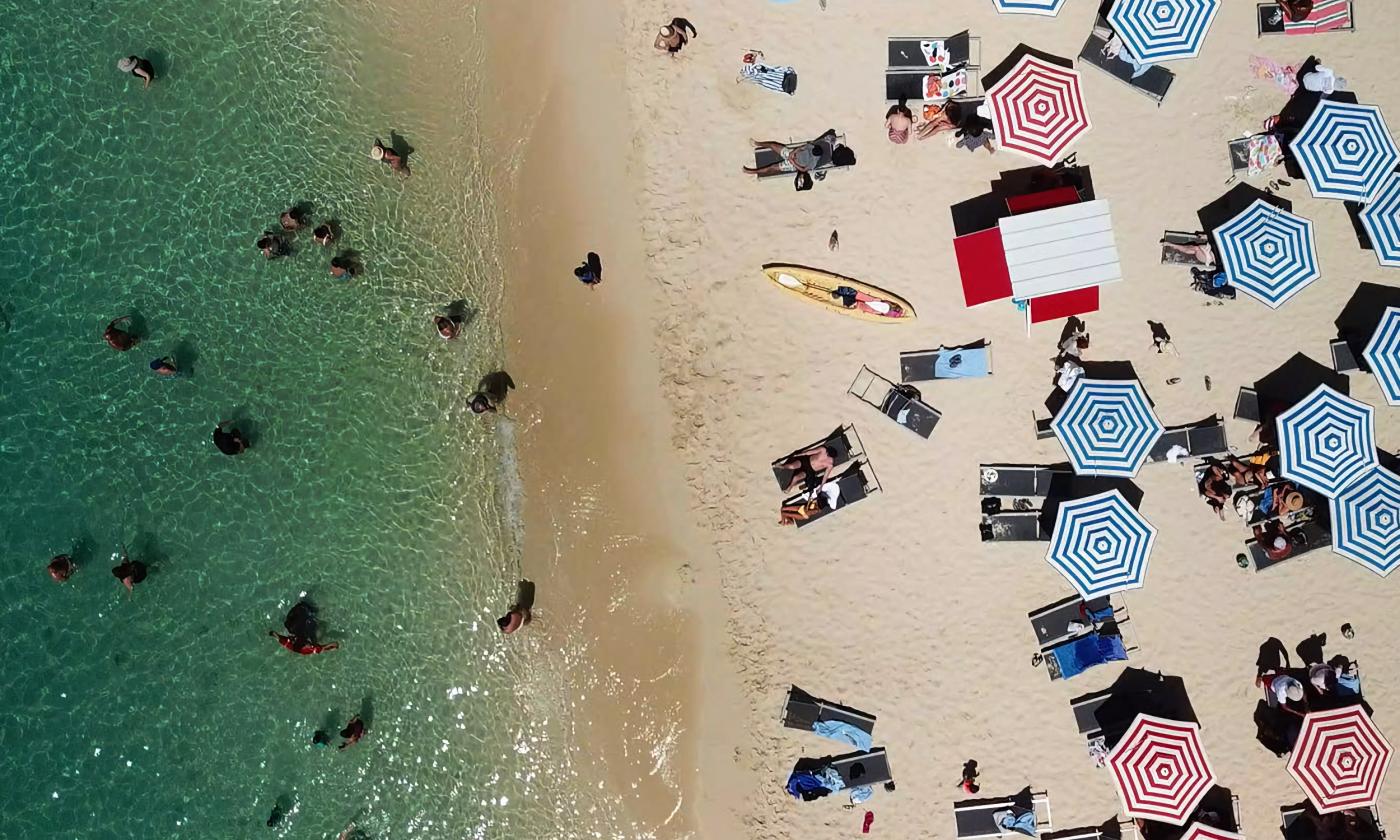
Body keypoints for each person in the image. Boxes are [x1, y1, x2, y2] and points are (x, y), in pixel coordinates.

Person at [744, 129, 837, 177]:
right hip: (791, 154)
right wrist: (792, 153)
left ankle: (752, 171)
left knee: (772, 168)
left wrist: (793, 162)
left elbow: (803, 170)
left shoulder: (814, 162)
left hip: (792, 165)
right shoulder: (812, 147)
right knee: (773, 145)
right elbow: (801, 147)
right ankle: (757, 143)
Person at [268, 630, 339, 655]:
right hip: (301, 648)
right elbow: (324, 647)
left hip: (299, 648)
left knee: (323, 649)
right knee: (322, 649)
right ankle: (334, 647)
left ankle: (334, 647)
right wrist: (333, 644)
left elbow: (324, 647)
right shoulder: (312, 648)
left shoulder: (310, 648)